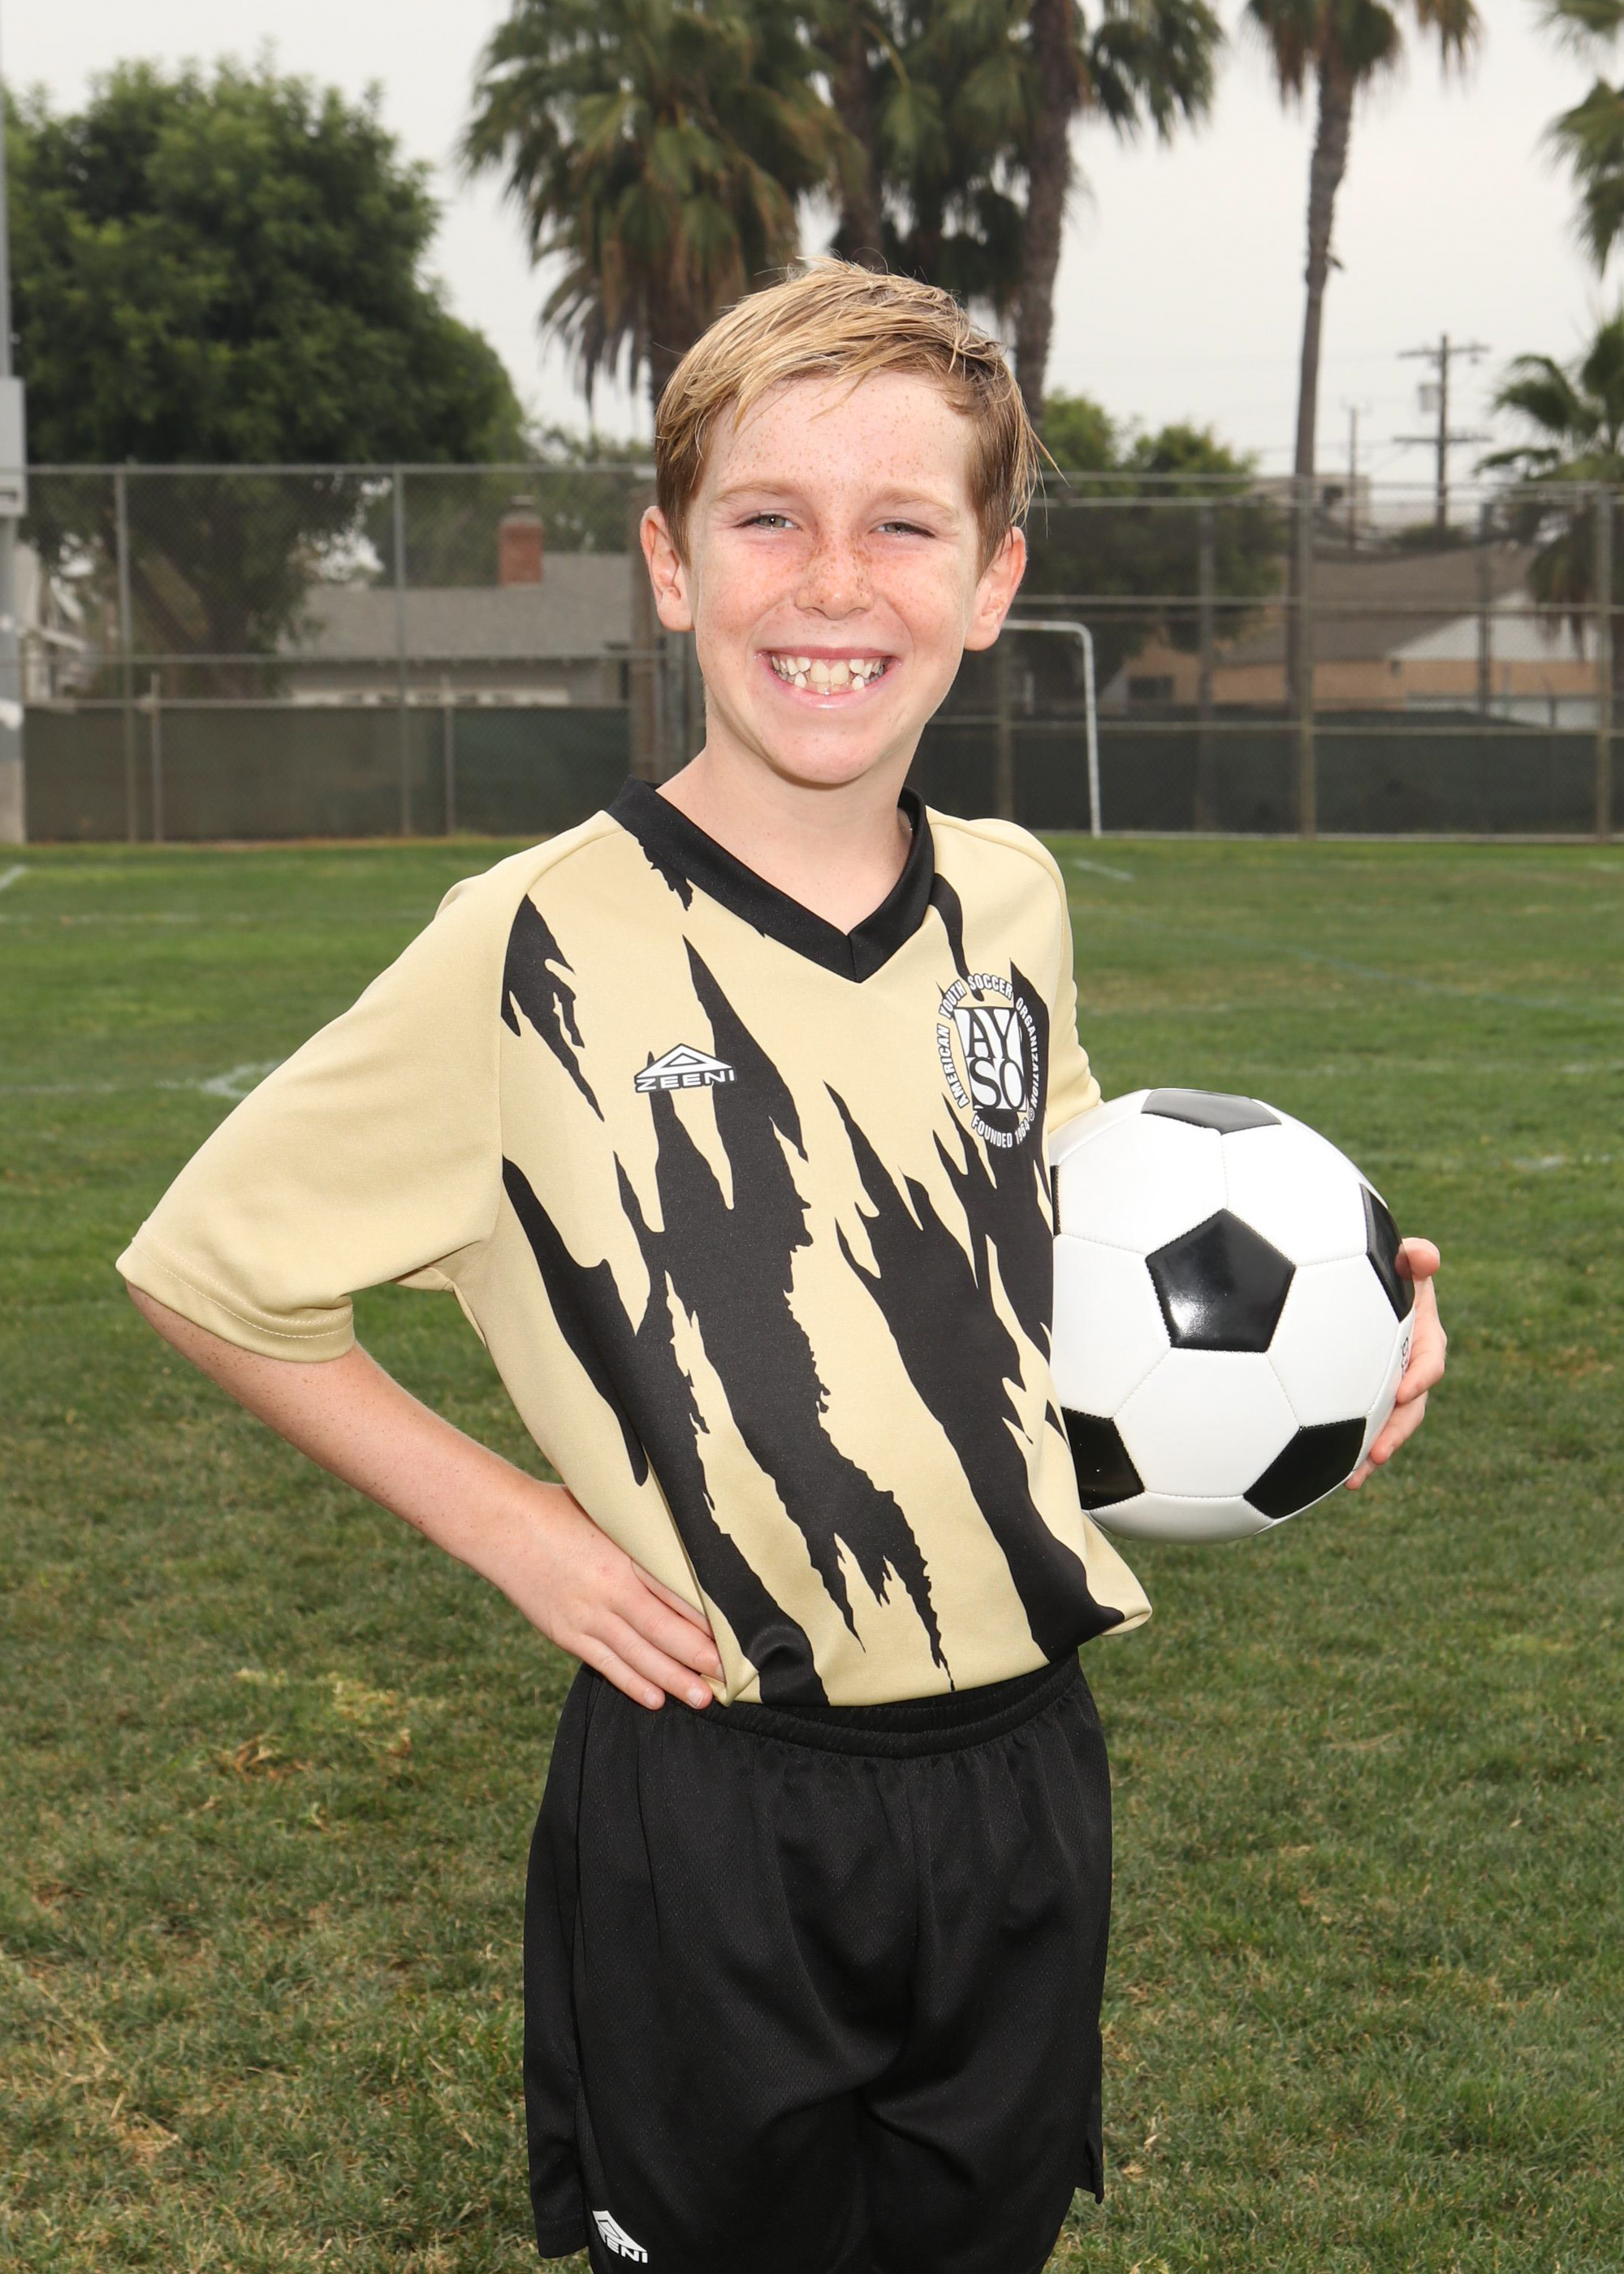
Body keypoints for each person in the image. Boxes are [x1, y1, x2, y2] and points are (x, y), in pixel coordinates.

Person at [119, 261, 1446, 2274]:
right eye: (768, 518)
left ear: (991, 583)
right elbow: (209, 1270)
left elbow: (1054, 1211)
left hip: (1022, 1772)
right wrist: (523, 1533)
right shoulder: (529, 944)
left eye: (903, 525)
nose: (835, 583)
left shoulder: (1010, 896)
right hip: (717, 1790)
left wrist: (1339, 1353)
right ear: (671, 564)